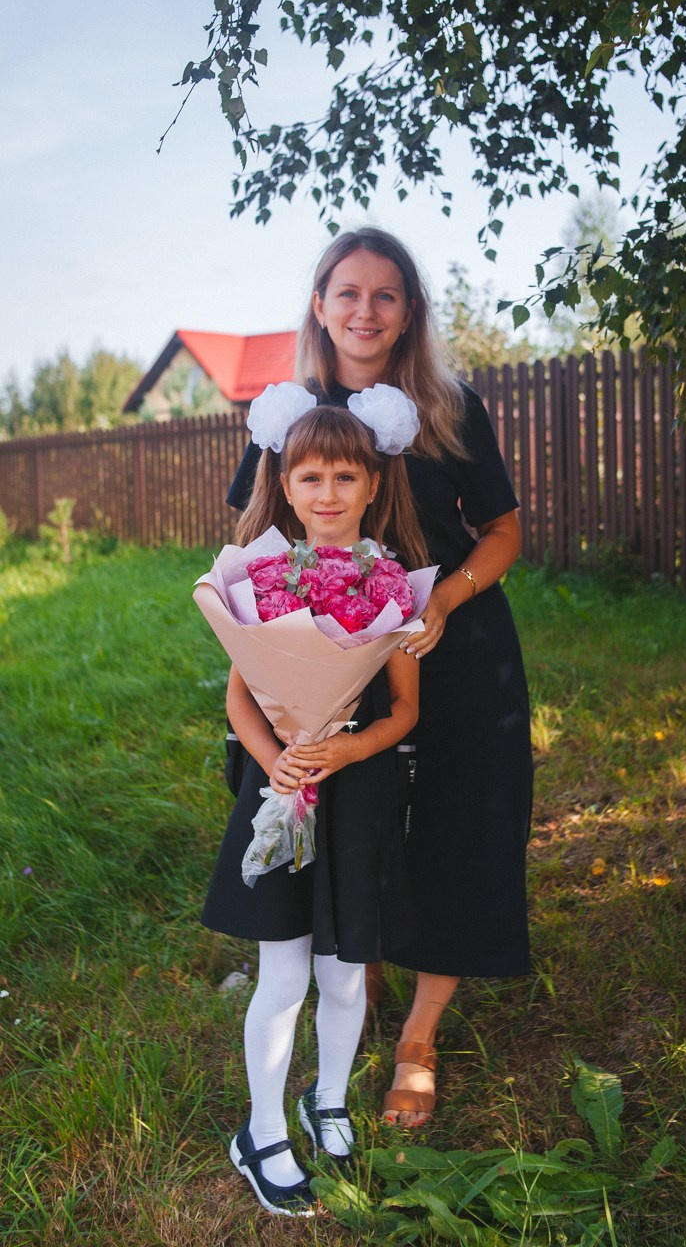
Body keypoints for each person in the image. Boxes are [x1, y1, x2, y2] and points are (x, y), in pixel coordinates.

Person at [227, 226, 533, 1128]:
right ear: (319, 304)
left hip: (452, 650)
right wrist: (275, 647)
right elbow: (250, 540)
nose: (365, 309)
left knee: (457, 828)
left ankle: (418, 1038)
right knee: (348, 826)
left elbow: (503, 531)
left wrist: (445, 603)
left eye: (386, 294)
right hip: (327, 666)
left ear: (408, 314)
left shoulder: (447, 406)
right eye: (346, 292)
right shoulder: (288, 413)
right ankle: (338, 986)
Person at [202, 394, 424, 1214]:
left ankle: (326, 1098)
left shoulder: (393, 583)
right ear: (286, 487)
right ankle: (261, 1129)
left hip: (358, 792)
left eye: (344, 476)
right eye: (310, 477)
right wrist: (280, 766)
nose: (327, 493)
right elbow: (241, 699)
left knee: (342, 974)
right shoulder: (261, 578)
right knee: (285, 970)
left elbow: (403, 710)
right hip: (285, 790)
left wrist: (347, 748)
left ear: (371, 485)